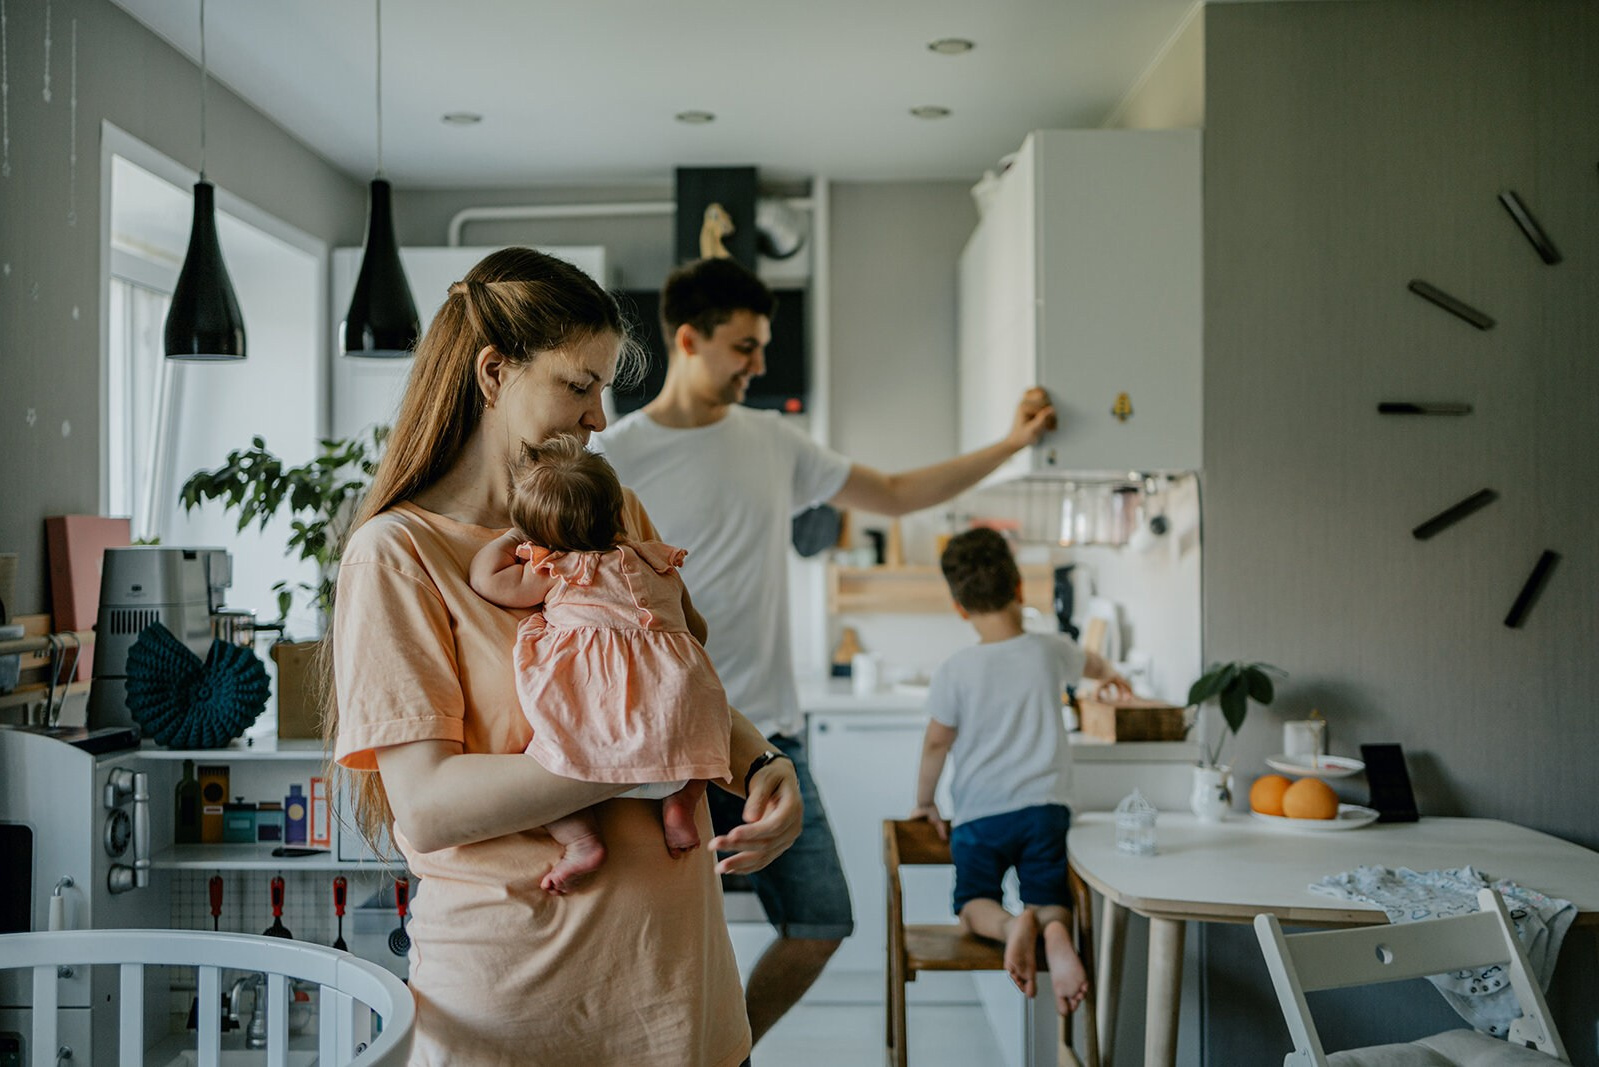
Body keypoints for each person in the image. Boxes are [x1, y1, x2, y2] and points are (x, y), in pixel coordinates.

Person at [327, 247, 803, 1067]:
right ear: (492, 373)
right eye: (579, 386)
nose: (597, 417)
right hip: (518, 1016)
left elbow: (669, 676)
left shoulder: (610, 504)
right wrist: (641, 753)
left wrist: (757, 760)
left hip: (683, 1004)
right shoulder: (398, 553)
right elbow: (430, 804)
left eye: (603, 390)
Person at [596, 256, 1060, 1044]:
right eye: (744, 346)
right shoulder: (616, 457)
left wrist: (1012, 443)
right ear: (687, 339)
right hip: (656, 747)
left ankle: (720, 1054)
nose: (759, 364)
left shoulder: (775, 441)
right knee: (653, 948)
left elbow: (897, 491)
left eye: (761, 345)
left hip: (770, 738)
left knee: (821, 919)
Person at [467, 434, 730, 894]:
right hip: (674, 746)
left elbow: (487, 579)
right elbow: (698, 631)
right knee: (704, 725)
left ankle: (583, 841)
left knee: (545, 760)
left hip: (598, 746)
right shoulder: (655, 561)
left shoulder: (560, 569)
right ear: (616, 513)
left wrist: (514, 535)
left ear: (540, 536)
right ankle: (681, 806)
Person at [908, 527, 1130, 1017]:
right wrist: (1111, 674)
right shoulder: (1049, 650)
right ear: (1020, 590)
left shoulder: (956, 669)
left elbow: (936, 742)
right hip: (1044, 812)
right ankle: (1052, 930)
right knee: (1051, 895)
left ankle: (1011, 927)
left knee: (972, 904)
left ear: (960, 608)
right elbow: (1089, 662)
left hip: (980, 816)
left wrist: (926, 802)